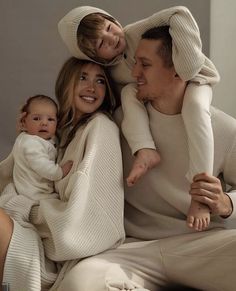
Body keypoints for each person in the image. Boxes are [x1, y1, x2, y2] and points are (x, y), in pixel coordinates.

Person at [55, 27, 236, 291]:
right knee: (79, 283)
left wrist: (226, 203)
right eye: (135, 62)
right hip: (132, 249)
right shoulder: (120, 123)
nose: (134, 73)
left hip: (200, 247)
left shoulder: (224, 129)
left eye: (145, 65)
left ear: (178, 69)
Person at [58, 5, 220, 229]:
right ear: (95, 56)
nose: (111, 37)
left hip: (196, 77)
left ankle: (200, 194)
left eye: (108, 27)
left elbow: (179, 13)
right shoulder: (113, 72)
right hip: (158, 89)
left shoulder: (135, 32)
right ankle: (145, 150)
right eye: (101, 43)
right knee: (127, 93)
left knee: (195, 109)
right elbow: (99, 102)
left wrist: (187, 66)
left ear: (112, 19)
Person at [0, 57, 125, 291]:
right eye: (83, 78)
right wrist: (26, 137)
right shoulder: (62, 131)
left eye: (100, 80)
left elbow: (85, 224)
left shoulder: (100, 129)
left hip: (66, 252)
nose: (91, 87)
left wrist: (21, 207)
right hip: (42, 233)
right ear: (66, 82)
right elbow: (13, 174)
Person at [8, 94, 73, 202]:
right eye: (36, 118)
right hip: (34, 193)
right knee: (57, 204)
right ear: (24, 122)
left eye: (50, 119)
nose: (44, 123)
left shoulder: (30, 138)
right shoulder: (31, 144)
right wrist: (60, 172)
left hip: (28, 189)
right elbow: (43, 166)